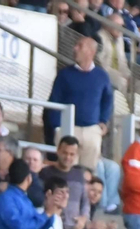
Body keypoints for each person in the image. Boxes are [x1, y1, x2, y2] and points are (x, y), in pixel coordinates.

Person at [46, 35, 113, 170]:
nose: (74, 48)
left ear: (91, 52)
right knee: (66, 171)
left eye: (80, 46)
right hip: (68, 130)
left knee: (88, 173)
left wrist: (103, 121)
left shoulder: (102, 76)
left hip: (92, 130)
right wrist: (58, 128)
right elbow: (54, 101)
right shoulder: (64, 74)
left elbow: (108, 100)